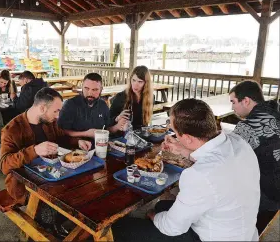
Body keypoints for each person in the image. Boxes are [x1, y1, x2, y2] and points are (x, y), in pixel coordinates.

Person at [113, 99, 260, 241]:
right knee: (162, 205)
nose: (175, 136)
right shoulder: (238, 142)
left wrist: (153, 216)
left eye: (175, 133)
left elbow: (171, 228)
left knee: (122, 228)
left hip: (209, 237)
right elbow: (212, 159)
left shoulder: (199, 175)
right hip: (243, 231)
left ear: (188, 138)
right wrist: (182, 149)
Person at [0, 87, 91, 205]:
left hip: (55, 175)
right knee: (52, 206)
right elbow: (4, 165)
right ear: (42, 108)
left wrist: (78, 142)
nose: (58, 116)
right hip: (24, 184)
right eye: (56, 111)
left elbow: (63, 138)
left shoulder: (50, 122)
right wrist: (34, 150)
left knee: (84, 188)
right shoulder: (11, 130)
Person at [229, 80, 280, 212]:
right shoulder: (275, 112)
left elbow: (226, 157)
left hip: (270, 194)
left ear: (246, 101)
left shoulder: (247, 127)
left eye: (233, 102)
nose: (232, 108)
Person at [57, 73, 126, 142]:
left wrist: (118, 123)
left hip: (99, 145)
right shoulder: (70, 105)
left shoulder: (103, 105)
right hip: (75, 147)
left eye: (95, 90)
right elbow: (62, 131)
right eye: (86, 88)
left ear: (101, 89)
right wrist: (86, 133)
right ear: (82, 87)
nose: (90, 93)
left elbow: (107, 129)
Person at [109, 65, 154, 130]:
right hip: (121, 134)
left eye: (140, 81)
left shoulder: (150, 98)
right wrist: (118, 117)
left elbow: (145, 124)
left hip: (140, 134)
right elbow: (107, 121)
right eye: (133, 80)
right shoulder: (121, 97)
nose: (135, 84)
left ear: (146, 83)